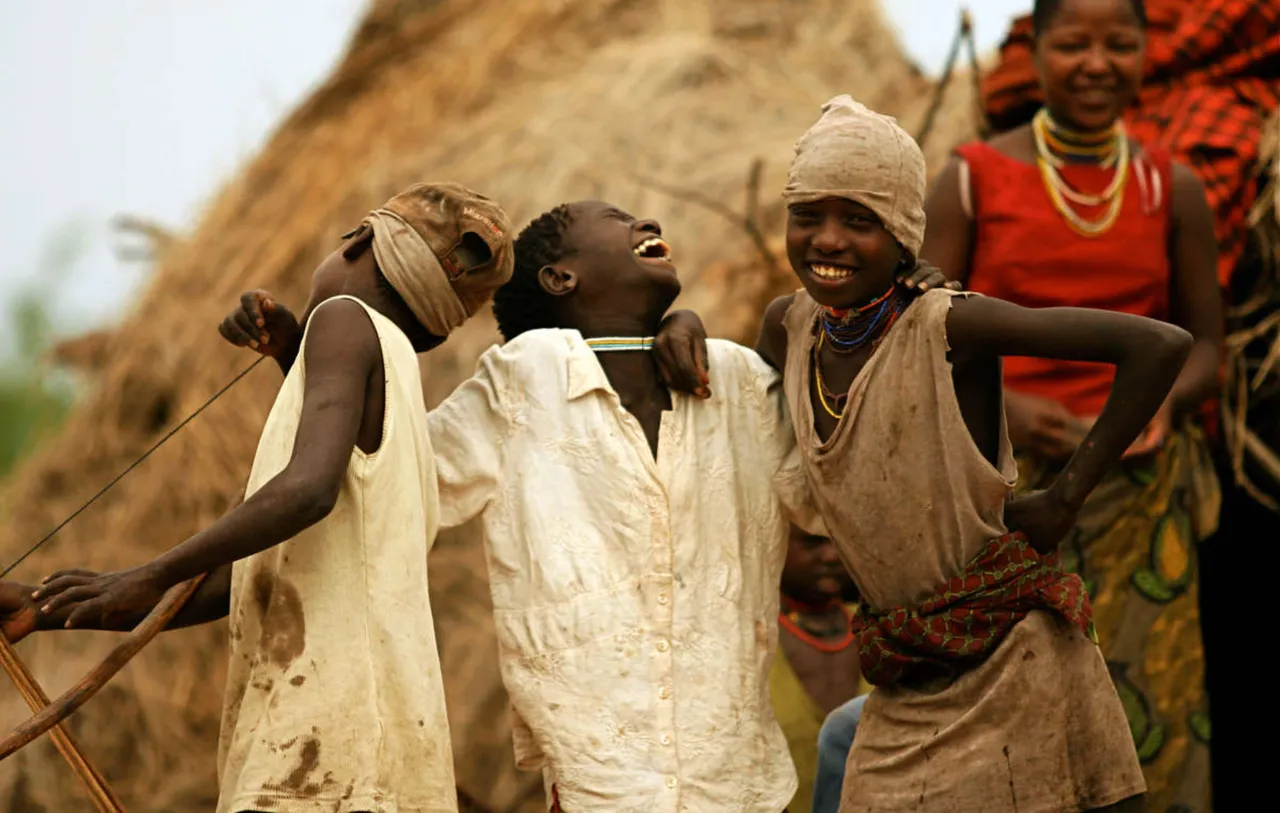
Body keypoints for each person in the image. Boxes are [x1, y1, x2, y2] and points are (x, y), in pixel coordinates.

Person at [210, 200, 951, 812]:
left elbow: (831, 490)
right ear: (560, 276)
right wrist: (297, 358)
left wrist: (891, 314)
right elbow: (385, 482)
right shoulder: (519, 381)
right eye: (616, 217)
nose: (644, 219)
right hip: (597, 784)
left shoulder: (730, 377)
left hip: (739, 783)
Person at [0, 182, 516, 813]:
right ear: (435, 331)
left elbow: (306, 492)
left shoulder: (344, 320)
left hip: (323, 746)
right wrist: (46, 606)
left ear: (358, 243)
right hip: (362, 750)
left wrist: (151, 571)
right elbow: (248, 576)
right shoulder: (397, 383)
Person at [920, 1, 1222, 809]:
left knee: (1148, 697)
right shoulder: (971, 178)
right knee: (1006, 709)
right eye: (1073, 43)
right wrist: (1007, 404)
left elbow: (1207, 351)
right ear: (1037, 54)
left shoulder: (1174, 185)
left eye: (1119, 44)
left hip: (1138, 491)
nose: (1097, 63)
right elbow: (917, 335)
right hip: (1001, 498)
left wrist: (1153, 407)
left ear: (1145, 53)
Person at [769, 524, 868, 813]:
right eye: (813, 543)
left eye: (838, 541)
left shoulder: (884, 632)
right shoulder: (755, 638)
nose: (831, 555)